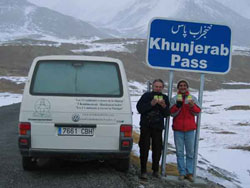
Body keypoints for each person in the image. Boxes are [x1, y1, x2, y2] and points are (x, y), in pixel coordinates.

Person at [136, 79, 170, 179]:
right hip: (146, 126)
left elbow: (167, 114)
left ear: (162, 88)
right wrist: (151, 104)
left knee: (157, 149)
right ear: (152, 87)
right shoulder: (146, 96)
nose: (158, 88)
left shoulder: (165, 98)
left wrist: (164, 106)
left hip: (158, 127)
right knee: (144, 148)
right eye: (156, 86)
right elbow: (139, 109)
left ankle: (155, 170)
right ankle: (143, 171)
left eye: (160, 87)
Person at [170, 80, 201, 182]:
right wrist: (177, 106)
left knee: (190, 152)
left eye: (184, 86)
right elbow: (171, 112)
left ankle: (189, 173)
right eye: (180, 86)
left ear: (187, 87)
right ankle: (182, 173)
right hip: (178, 129)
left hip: (190, 129)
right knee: (179, 152)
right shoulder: (174, 99)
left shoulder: (192, 98)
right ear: (178, 87)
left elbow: (198, 111)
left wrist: (192, 105)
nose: (182, 87)